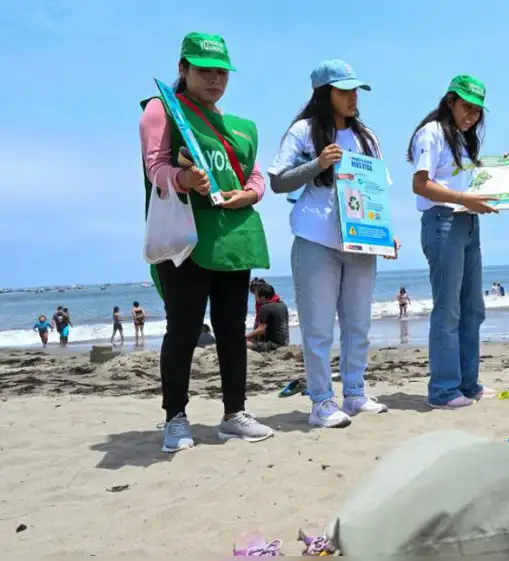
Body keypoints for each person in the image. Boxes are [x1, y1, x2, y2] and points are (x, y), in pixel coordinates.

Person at [140, 32, 274, 453]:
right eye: (205, 70)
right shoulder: (163, 110)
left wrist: (251, 194)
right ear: (183, 68)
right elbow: (155, 167)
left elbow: (254, 174)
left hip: (233, 237)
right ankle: (175, 418)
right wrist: (181, 179)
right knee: (183, 329)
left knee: (232, 329)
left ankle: (234, 414)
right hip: (186, 236)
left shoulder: (239, 128)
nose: (215, 79)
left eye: (221, 72)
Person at [268, 59, 394, 427]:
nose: (353, 97)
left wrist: (386, 233)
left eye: (356, 90)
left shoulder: (367, 136)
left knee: (358, 325)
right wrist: (317, 164)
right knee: (318, 328)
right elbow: (277, 181)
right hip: (314, 240)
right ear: (325, 94)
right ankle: (321, 401)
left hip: (361, 243)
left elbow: (376, 191)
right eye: (344, 90)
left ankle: (354, 394)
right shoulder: (303, 131)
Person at [408, 74, 498, 410]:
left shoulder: (464, 139)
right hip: (442, 221)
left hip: (467, 221)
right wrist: (463, 197)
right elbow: (420, 184)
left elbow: (465, 187)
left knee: (473, 307)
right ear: (450, 101)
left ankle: (468, 383)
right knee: (448, 309)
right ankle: (443, 390)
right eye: (466, 107)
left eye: (477, 111)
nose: (471, 115)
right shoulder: (431, 133)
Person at [245, 284, 290, 352]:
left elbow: (261, 329)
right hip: (285, 342)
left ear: (262, 297)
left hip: (273, 345)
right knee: (251, 339)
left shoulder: (265, 308)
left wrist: (244, 336)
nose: (255, 297)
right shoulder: (282, 305)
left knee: (240, 342)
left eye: (256, 295)